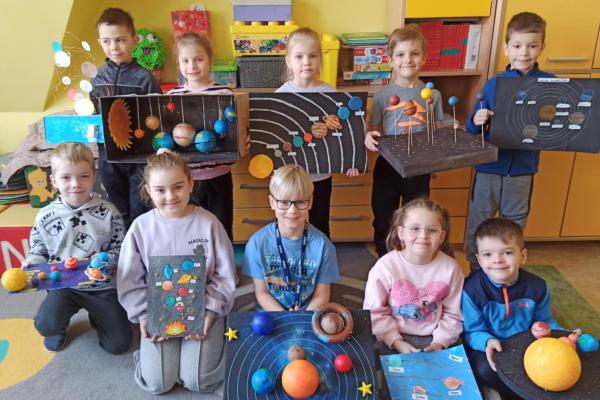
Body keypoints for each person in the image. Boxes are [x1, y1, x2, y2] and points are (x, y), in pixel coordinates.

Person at [117, 151, 237, 394]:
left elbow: (225, 275)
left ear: (191, 183)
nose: (170, 196)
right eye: (160, 190)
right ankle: (146, 357)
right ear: (148, 190)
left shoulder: (209, 224)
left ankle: (211, 346)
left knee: (198, 381)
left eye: (178, 187)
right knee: (157, 383)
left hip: (202, 308)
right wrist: (144, 315)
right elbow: (129, 279)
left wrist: (211, 311)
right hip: (158, 311)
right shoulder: (140, 228)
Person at [464, 12, 552, 271]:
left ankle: (507, 272)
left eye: (532, 45)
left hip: (522, 170)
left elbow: (555, 124)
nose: (524, 52)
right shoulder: (494, 84)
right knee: (479, 221)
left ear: (542, 47)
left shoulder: (549, 83)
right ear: (506, 48)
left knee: (514, 224)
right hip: (489, 167)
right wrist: (478, 119)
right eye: (517, 45)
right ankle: (476, 271)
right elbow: (472, 128)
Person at [23, 142, 131, 354]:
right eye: (66, 177)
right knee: (45, 324)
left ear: (94, 176)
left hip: (101, 287)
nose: (75, 184)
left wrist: (106, 259)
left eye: (84, 176)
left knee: (118, 345)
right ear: (53, 181)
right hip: (62, 286)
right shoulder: (45, 215)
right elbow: (38, 250)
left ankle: (98, 317)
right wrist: (32, 264)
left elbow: (121, 248)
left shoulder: (109, 212)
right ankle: (58, 327)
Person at [365, 25, 444, 258]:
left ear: (424, 58)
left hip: (419, 169)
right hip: (388, 167)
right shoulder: (381, 96)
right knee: (383, 217)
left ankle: (413, 258)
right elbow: (373, 130)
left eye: (414, 53)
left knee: (417, 219)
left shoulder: (433, 95)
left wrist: (436, 160)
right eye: (400, 54)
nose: (407, 60)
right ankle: (384, 258)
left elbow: (437, 133)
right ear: (390, 60)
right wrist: (369, 137)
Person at [463, 218, 561, 399]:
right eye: (487, 254)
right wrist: (487, 341)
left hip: (526, 346)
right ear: (479, 259)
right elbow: (472, 330)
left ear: (522, 256)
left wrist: (563, 335)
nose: (497, 260)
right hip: (490, 347)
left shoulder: (537, 287)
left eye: (507, 252)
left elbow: (545, 321)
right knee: (482, 369)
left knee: (555, 366)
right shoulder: (471, 289)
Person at [276, 27, 359, 239]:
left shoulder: (332, 94)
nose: (306, 62)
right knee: (290, 223)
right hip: (290, 177)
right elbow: (275, 135)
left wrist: (352, 160)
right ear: (288, 61)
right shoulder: (279, 96)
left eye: (312, 56)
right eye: (299, 56)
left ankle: (321, 256)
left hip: (321, 175)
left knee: (320, 222)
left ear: (320, 59)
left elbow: (345, 133)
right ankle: (292, 255)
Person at [90, 7, 162, 228]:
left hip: (139, 159)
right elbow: (92, 114)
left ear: (134, 41)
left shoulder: (145, 79)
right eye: (107, 41)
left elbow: (158, 118)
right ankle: (124, 247)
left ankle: (142, 246)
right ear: (100, 42)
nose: (114, 46)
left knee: (141, 210)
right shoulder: (97, 78)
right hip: (108, 158)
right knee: (118, 212)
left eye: (120, 40)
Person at [363, 198, 463, 353]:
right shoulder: (384, 267)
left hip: (435, 336)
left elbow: (453, 314)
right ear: (401, 232)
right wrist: (396, 342)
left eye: (432, 230)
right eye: (415, 228)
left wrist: (440, 343)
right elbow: (374, 312)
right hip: (391, 334)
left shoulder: (451, 269)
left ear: (442, 236)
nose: (423, 235)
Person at [242, 164, 340, 311]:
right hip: (271, 313)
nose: (292, 210)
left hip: (309, 313)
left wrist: (300, 317)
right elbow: (262, 293)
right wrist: (286, 317)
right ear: (272, 203)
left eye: (300, 202)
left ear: (310, 202)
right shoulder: (256, 244)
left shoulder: (324, 246)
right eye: (284, 202)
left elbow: (322, 296)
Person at [166, 32, 235, 239]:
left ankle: (222, 260)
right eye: (185, 60)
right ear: (178, 63)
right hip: (187, 179)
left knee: (221, 229)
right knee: (191, 231)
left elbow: (235, 132)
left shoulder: (224, 94)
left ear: (210, 60)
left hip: (219, 176)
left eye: (199, 59)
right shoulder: (172, 97)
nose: (192, 66)